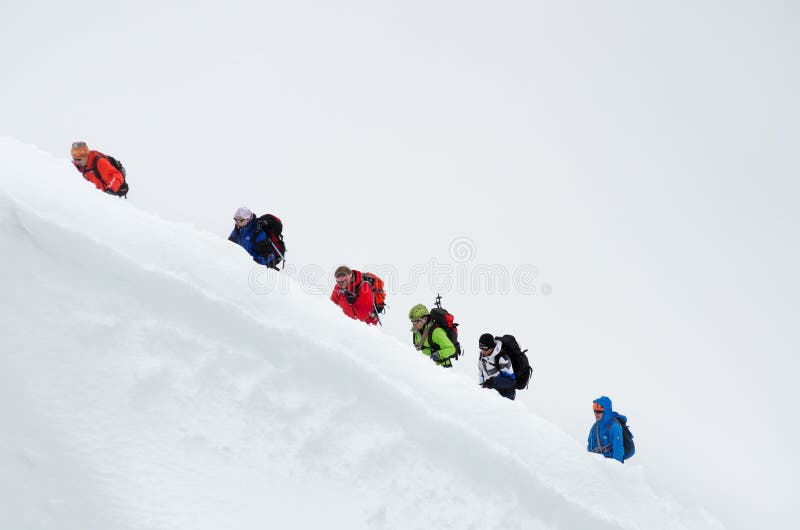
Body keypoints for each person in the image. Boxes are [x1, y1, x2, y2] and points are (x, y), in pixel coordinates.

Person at [477, 333, 516, 400]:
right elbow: (481, 371)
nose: (483, 351)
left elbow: (511, 381)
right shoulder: (482, 355)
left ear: (492, 347)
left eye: (485, 349)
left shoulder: (502, 359)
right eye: (481, 348)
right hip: (490, 393)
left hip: (505, 395)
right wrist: (482, 388)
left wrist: (493, 382)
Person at [587, 396, 624, 462]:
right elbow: (590, 449)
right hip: (597, 468)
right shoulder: (594, 428)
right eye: (594, 410)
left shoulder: (614, 427)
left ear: (606, 411)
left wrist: (615, 470)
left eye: (599, 411)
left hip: (610, 468)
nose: (596, 413)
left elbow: (618, 452)